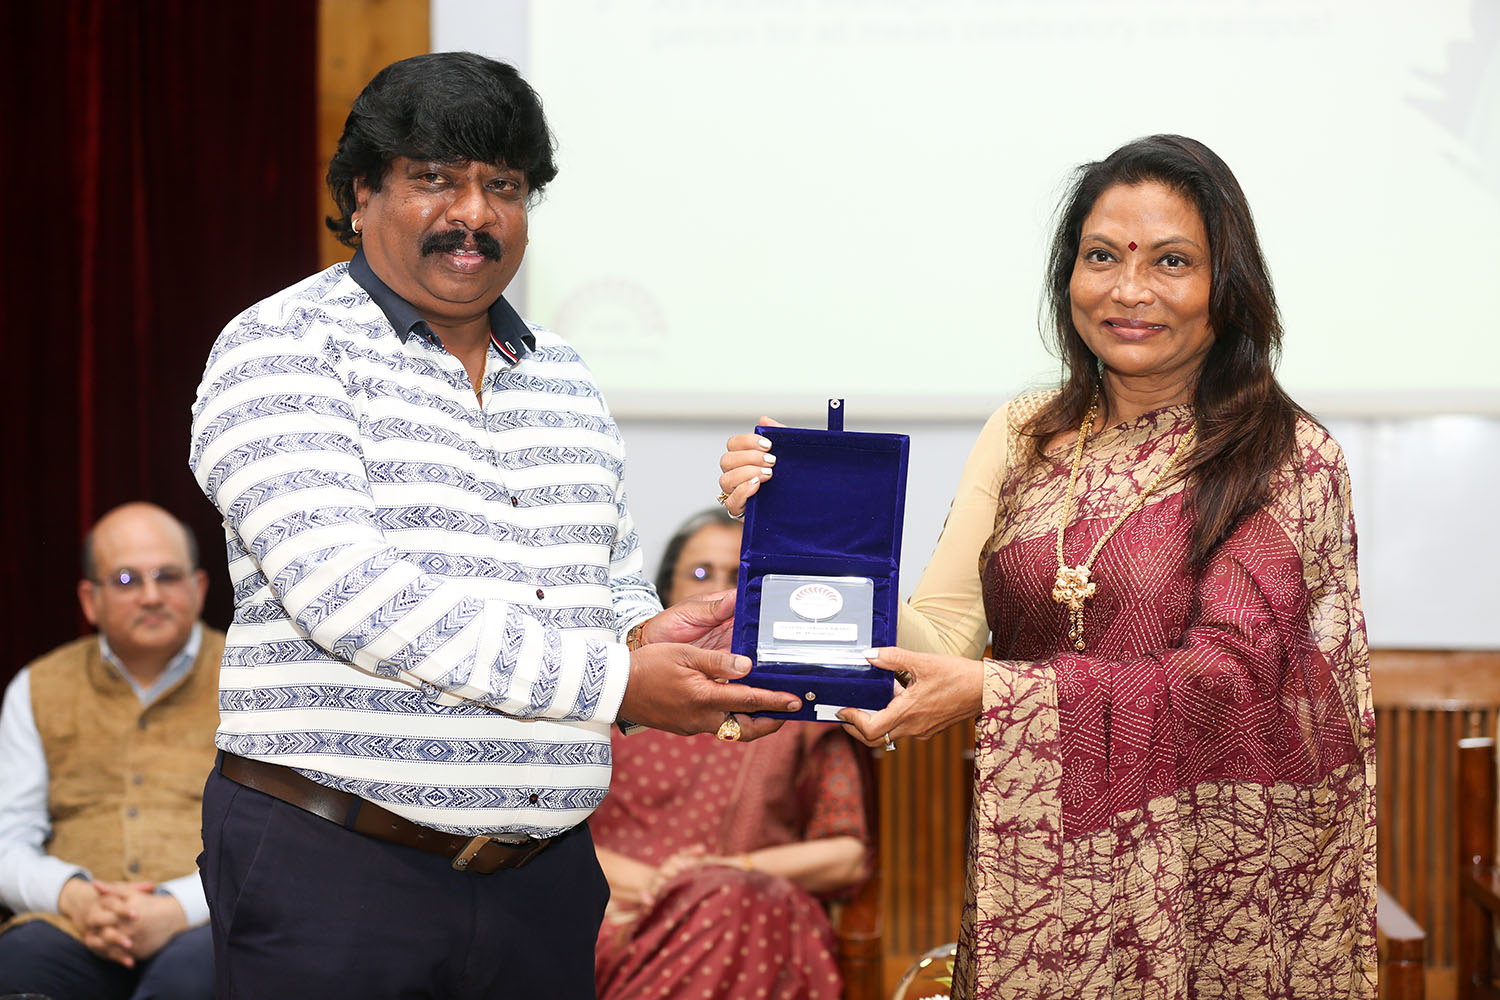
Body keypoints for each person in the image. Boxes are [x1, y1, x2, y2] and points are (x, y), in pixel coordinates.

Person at [188, 51, 800, 999]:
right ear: (361, 196)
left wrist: (656, 638)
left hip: (542, 879)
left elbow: (608, 576)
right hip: (335, 863)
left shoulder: (560, 370)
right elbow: (349, 596)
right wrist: (621, 678)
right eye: (435, 179)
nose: (473, 213)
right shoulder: (279, 345)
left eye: (503, 186)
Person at [719, 135, 1376, 997]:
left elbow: (1233, 680)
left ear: (1229, 285)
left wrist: (996, 693)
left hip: (1219, 885)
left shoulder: (1287, 457)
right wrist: (805, 529)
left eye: (1171, 261)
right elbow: (943, 633)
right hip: (1043, 874)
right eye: (1101, 256)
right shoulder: (1026, 431)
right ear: (1070, 274)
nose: (1129, 289)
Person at [591, 508, 871, 1000]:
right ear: (666, 592)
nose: (720, 594)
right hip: (619, 910)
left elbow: (847, 855)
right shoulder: (615, 698)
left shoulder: (794, 710)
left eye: (740, 577)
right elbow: (550, 831)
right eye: (701, 574)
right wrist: (664, 886)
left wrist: (726, 876)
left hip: (754, 910)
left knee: (738, 906)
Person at [0, 502, 221, 1000]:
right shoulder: (36, 687)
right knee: (19, 966)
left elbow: (276, 843)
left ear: (199, 587)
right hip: (70, 924)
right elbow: (8, 839)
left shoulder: (249, 684)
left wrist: (175, 909)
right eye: (125, 580)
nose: (150, 595)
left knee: (200, 975)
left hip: (205, 924)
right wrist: (75, 899)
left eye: (167, 576)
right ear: (89, 599)